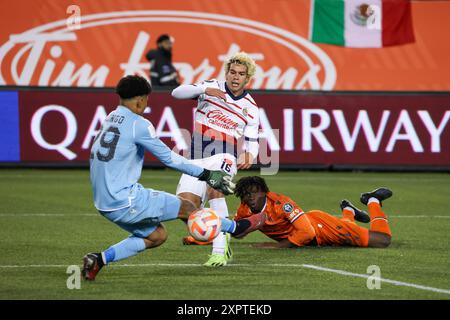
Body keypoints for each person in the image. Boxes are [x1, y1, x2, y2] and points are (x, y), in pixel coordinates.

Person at [82, 75, 235, 281]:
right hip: (124, 199)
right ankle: (237, 228)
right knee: (188, 207)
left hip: (103, 202)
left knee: (156, 236)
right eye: (146, 100)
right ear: (139, 100)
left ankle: (98, 260)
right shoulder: (139, 124)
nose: (146, 104)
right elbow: (169, 159)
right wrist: (206, 174)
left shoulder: (110, 118)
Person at [171, 52, 260, 267]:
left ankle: (220, 250)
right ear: (227, 73)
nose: (235, 77)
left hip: (224, 156)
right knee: (184, 209)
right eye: (232, 72)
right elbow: (176, 93)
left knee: (216, 189)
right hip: (195, 158)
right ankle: (223, 229)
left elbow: (253, 139)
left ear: (247, 79)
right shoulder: (211, 86)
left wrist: (250, 153)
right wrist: (203, 89)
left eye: (241, 74)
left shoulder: (251, 107)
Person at [233, 176, 393, 249]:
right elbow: (235, 230)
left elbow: (307, 232)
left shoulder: (282, 204)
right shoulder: (244, 208)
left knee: (383, 240)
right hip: (315, 230)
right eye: (246, 194)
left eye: (254, 193)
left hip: (320, 228)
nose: (250, 197)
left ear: (264, 192)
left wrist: (278, 246)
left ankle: (373, 200)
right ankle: (348, 210)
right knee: (346, 230)